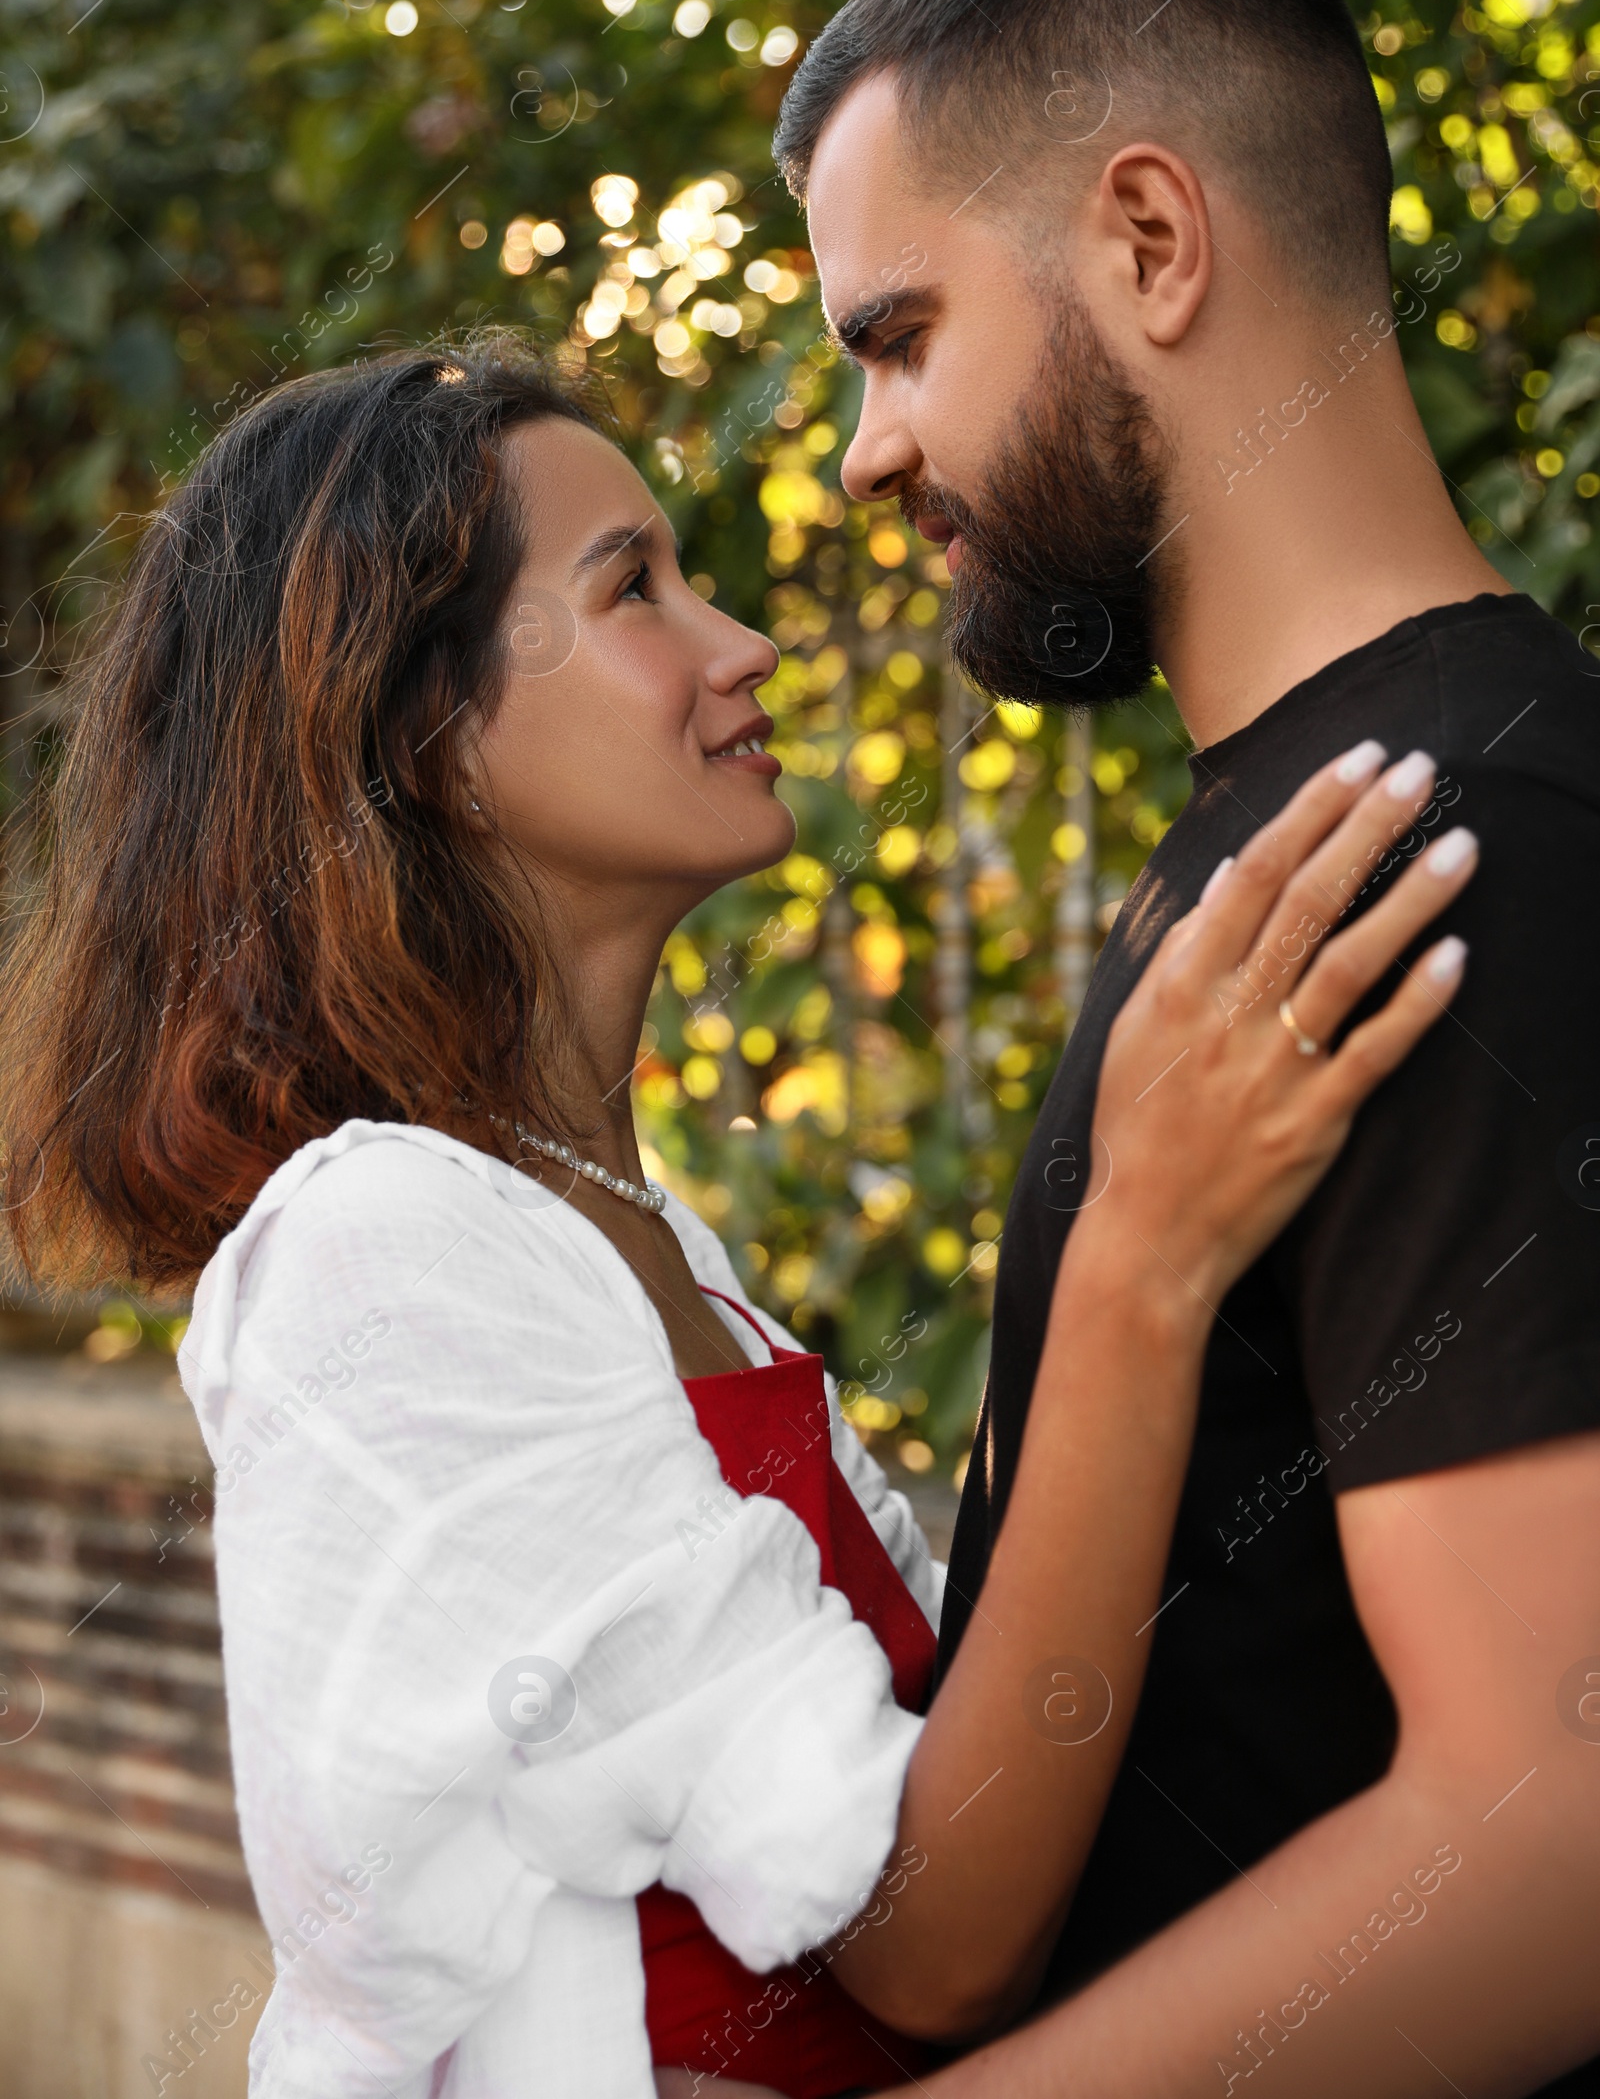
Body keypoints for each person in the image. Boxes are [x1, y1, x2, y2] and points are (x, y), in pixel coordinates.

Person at [0, 340, 1472, 2098]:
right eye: (637, 591)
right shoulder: (380, 1254)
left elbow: (972, 1754)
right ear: (430, 741)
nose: (743, 647)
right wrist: (1141, 1259)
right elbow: (930, 1930)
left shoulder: (629, 1240)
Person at [778, 0, 1600, 2098]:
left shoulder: (1457, 843)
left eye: (896, 337)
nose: (864, 457)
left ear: (1146, 242)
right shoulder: (1293, 829)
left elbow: (1549, 1831)